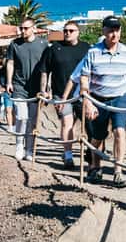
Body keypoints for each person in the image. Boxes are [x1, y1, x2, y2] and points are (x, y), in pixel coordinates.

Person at [79, 15, 126, 187]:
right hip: (98, 98)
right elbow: (84, 78)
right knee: (98, 136)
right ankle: (95, 166)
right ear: (104, 31)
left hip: (120, 98)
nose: (114, 34)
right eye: (110, 30)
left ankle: (118, 172)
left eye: (117, 30)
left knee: (120, 132)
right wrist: (87, 101)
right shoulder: (93, 52)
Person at [37, 20, 90, 169]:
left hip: (82, 95)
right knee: (67, 123)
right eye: (65, 30)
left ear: (78, 32)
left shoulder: (86, 48)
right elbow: (45, 71)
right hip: (61, 94)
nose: (67, 33)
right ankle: (68, 156)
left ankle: (91, 153)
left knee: (88, 125)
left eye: (71, 30)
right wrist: (44, 90)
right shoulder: (54, 48)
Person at [5, 19, 49, 161]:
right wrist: (9, 82)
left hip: (36, 88)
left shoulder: (43, 44)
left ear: (34, 28)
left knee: (32, 120)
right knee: (21, 117)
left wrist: (47, 87)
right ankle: (19, 145)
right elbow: (10, 63)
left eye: (25, 28)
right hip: (19, 86)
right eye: (21, 28)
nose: (22, 31)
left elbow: (48, 67)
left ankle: (29, 149)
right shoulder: (14, 44)